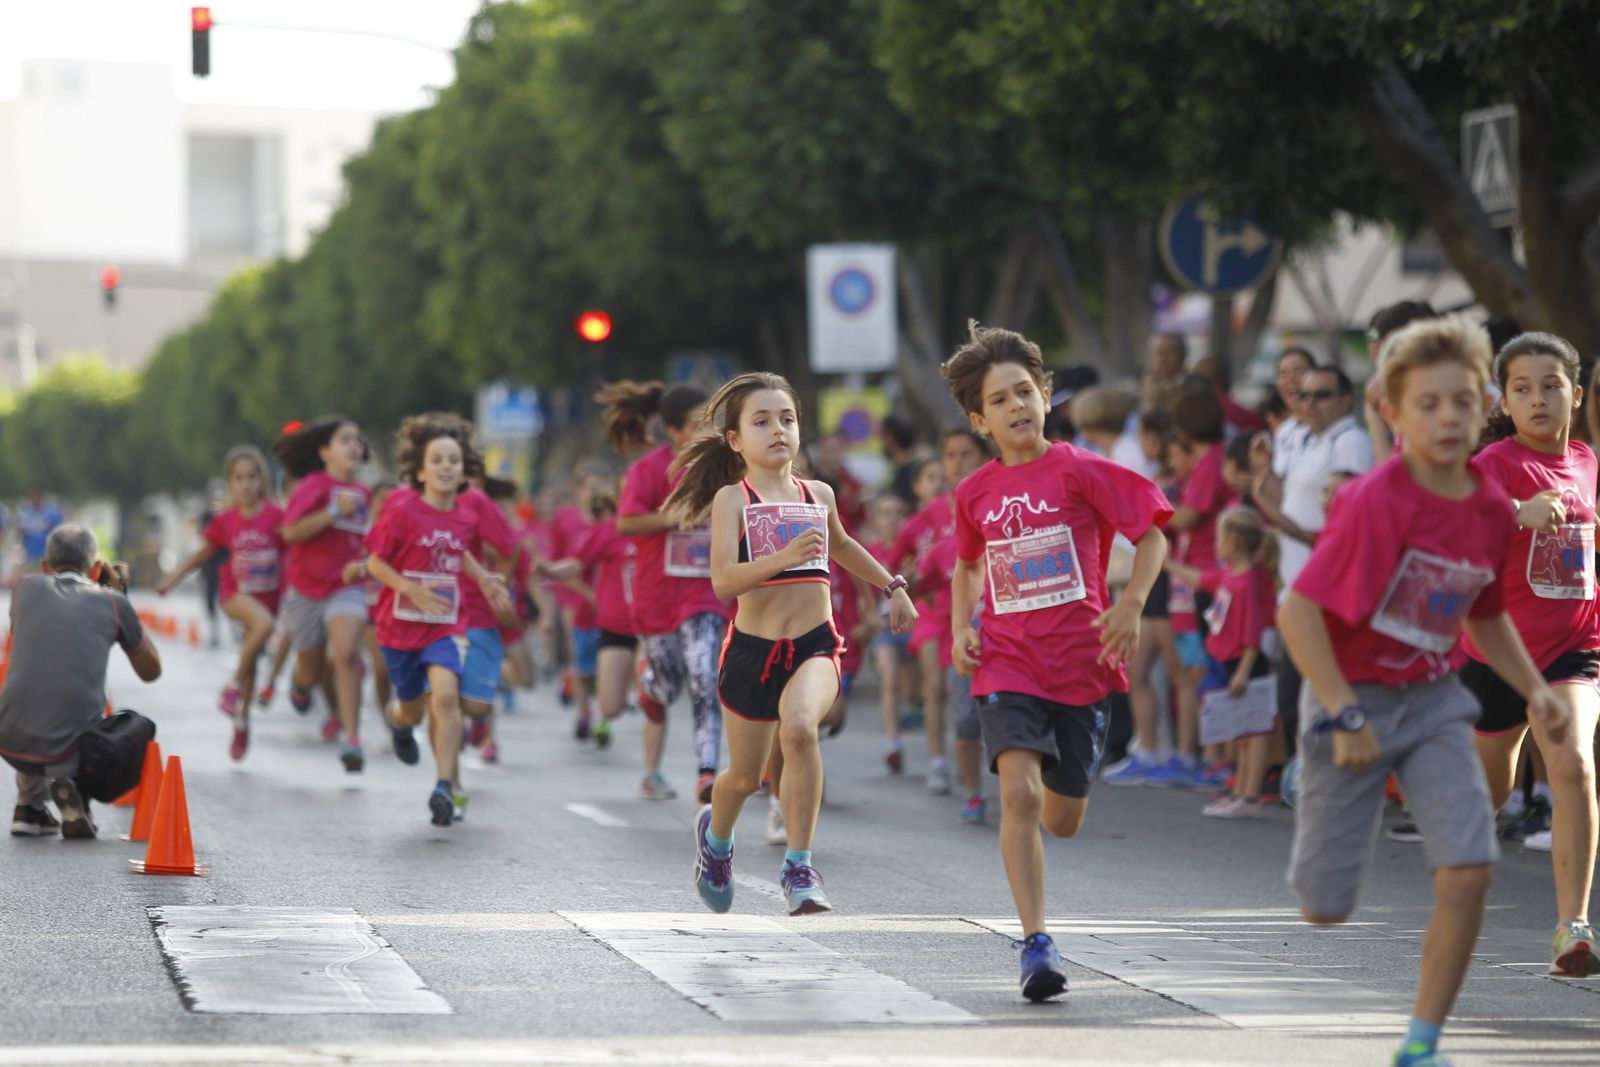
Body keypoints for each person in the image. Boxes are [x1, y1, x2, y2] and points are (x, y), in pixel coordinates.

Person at [1275, 314, 1567, 1067]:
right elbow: (1297, 613)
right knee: (1324, 904)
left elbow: (1485, 608)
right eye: (1428, 403)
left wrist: (1536, 689)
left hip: (1435, 699)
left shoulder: (1487, 506)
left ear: (1482, 409)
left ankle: (1422, 1042)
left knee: (1471, 866)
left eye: (1462, 402)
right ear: (1393, 410)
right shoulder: (1377, 501)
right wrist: (1341, 712)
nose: (1447, 417)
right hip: (1351, 694)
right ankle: (1315, 773)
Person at [942, 322, 1172, 1002]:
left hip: (1084, 666)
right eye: (1000, 399)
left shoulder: (1083, 470)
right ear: (979, 419)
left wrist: (1130, 604)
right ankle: (1036, 940)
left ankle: (1048, 822)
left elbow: (1152, 535)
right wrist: (961, 626)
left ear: (1045, 397)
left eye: (1025, 391)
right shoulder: (974, 492)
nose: (1017, 406)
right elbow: (964, 565)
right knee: (1018, 793)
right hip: (1008, 663)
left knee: (1063, 817)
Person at [673, 371, 917, 917]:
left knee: (802, 730)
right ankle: (715, 842)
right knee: (743, 777)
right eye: (761, 421)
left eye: (787, 419)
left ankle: (800, 867)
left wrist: (892, 586)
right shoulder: (732, 499)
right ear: (736, 440)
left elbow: (845, 544)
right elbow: (723, 582)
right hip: (752, 652)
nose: (777, 429)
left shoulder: (819, 493)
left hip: (814, 643)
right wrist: (783, 557)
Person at [1460, 332, 1600, 977]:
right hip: (1496, 650)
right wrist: (1522, 510)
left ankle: (1573, 927)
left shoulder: (1589, 461)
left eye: (1550, 386)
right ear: (1506, 401)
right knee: (1488, 787)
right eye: (1523, 388)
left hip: (1574, 647)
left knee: (1570, 760)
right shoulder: (1495, 463)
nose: (1538, 398)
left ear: (1574, 393)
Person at [363, 414, 511, 827]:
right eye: (438, 460)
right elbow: (376, 563)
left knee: (445, 697)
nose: (447, 467)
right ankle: (399, 723)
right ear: (421, 470)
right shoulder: (403, 510)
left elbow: (459, 550)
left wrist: (483, 579)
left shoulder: (465, 515)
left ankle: (444, 786)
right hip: (399, 628)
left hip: (446, 625)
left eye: (454, 460)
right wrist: (411, 590)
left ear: (464, 469)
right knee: (411, 709)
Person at [607, 381, 732, 803]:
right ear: (674, 431)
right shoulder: (648, 470)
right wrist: (675, 517)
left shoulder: (726, 468)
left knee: (705, 673)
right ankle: (648, 680)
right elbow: (626, 524)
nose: (707, 431)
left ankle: (707, 772)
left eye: (711, 422)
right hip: (658, 593)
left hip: (705, 592)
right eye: (698, 424)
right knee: (668, 685)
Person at [2, 526, 161, 839]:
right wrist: (121, 598)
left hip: (10, 739)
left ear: (45, 567)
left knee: (37, 692)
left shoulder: (23, 590)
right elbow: (151, 671)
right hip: (73, 748)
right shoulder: (113, 602)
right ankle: (76, 792)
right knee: (138, 725)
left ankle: (28, 807)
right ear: (98, 568)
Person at [156, 446, 285, 761]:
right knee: (263, 627)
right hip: (235, 594)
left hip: (268, 596)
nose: (246, 484)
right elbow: (203, 554)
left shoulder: (277, 517)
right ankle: (233, 688)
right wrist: (173, 578)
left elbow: (297, 548)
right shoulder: (226, 520)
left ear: (262, 480)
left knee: (252, 656)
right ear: (230, 484)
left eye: (252, 477)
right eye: (239, 478)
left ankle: (242, 721)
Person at [1165, 507, 1279, 817]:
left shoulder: (1248, 583)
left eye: (1218, 537)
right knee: (1242, 730)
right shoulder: (1232, 576)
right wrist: (1165, 563)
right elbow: (1202, 579)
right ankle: (1240, 790)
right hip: (1229, 661)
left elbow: (1252, 635)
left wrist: (1242, 672)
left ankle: (1250, 796)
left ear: (1231, 543)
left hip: (1245, 664)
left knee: (1254, 731)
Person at [274, 417, 372, 773]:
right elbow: (290, 533)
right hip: (307, 589)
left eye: (358, 441)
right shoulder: (314, 486)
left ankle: (353, 739)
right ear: (325, 451)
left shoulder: (364, 494)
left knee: (347, 654)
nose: (354, 447)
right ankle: (301, 685)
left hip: (347, 588)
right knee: (311, 671)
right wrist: (333, 512)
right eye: (345, 440)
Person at [16, 487, 64, 572]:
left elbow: (57, 533)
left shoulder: (51, 513)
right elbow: (21, 534)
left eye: (36, 496)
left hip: (46, 555)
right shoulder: (26, 514)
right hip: (30, 555)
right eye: (32, 497)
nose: (34, 499)